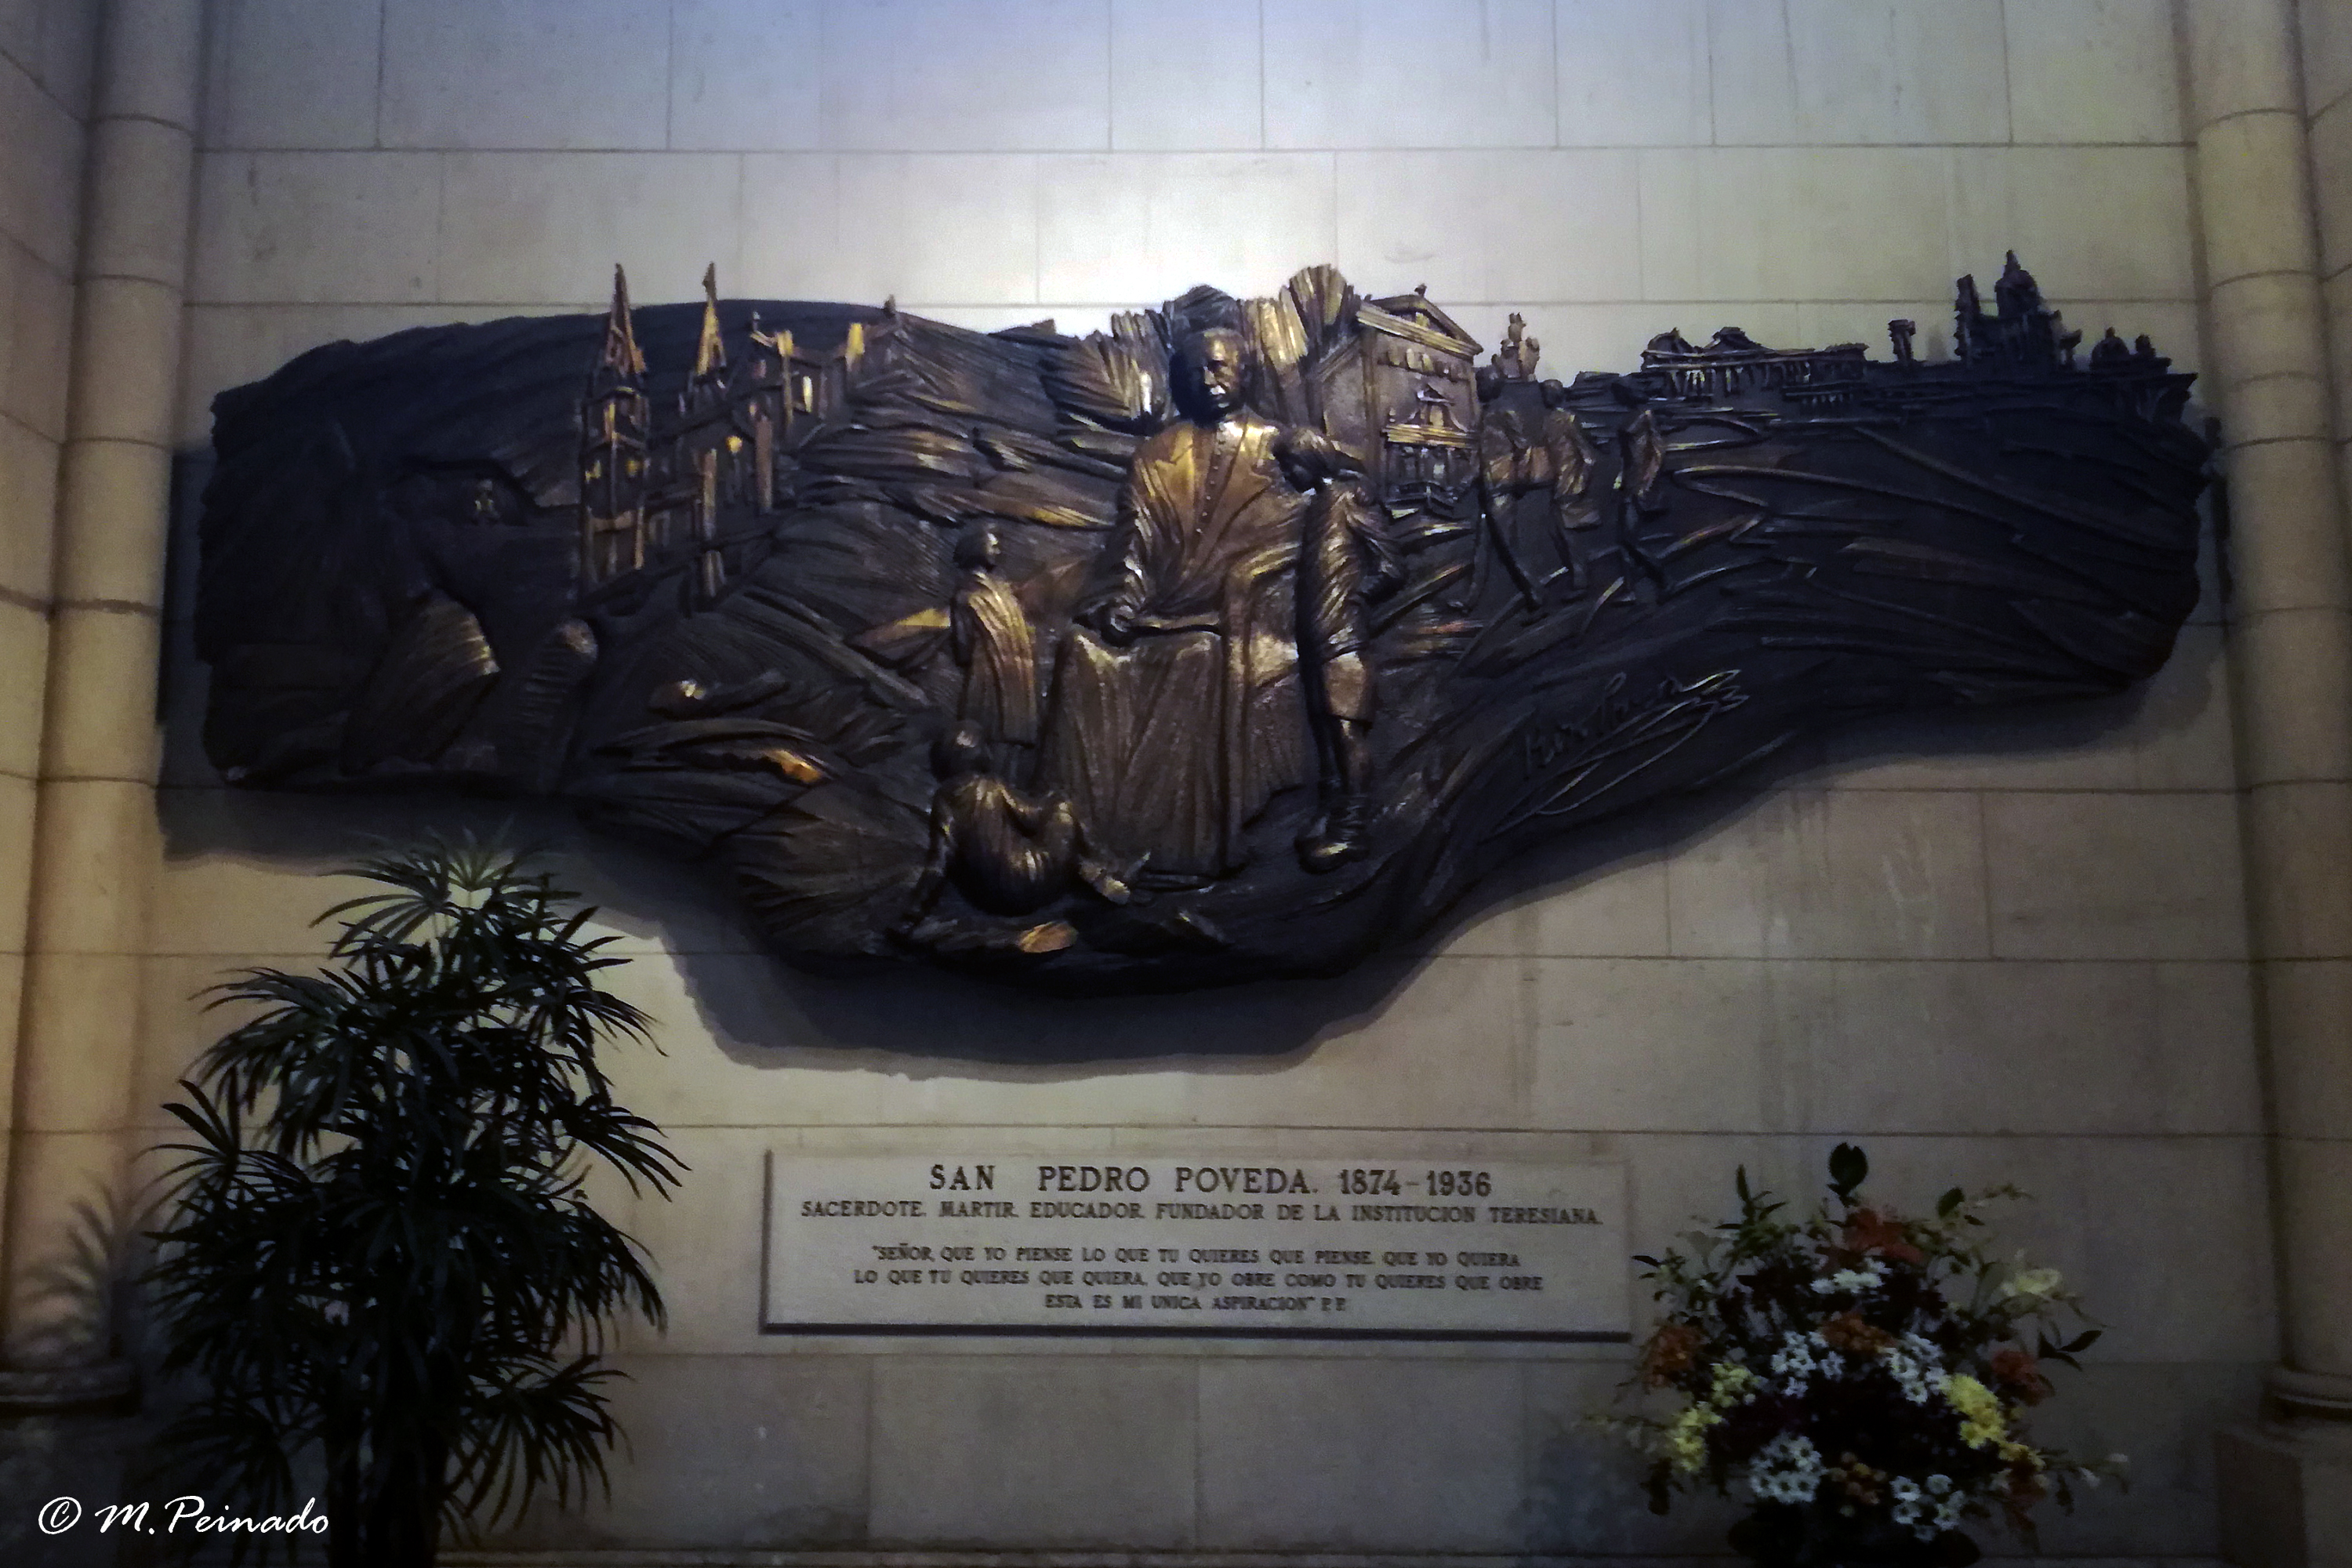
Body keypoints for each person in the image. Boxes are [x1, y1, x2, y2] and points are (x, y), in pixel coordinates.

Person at [1038, 328, 1315, 880]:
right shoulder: (1160, 452)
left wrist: (1250, 589)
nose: (1207, 381)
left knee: (1195, 659)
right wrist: (1121, 602)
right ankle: (1067, 839)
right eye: (1194, 373)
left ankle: (1179, 850)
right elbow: (1133, 541)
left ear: (1246, 373)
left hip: (1237, 621)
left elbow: (1311, 529)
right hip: (1156, 612)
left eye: (1218, 368)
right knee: (1078, 654)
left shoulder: (1279, 448)